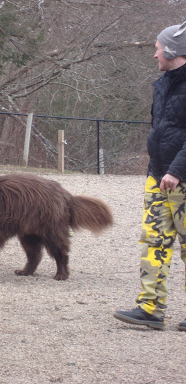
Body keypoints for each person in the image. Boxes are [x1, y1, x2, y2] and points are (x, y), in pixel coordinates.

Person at [114, 21, 186, 331]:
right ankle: (151, 308)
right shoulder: (163, 85)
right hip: (158, 177)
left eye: (158, 48)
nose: (155, 54)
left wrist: (176, 170)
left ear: (172, 50)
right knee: (153, 241)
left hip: (179, 178)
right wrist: (156, 171)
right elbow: (161, 131)